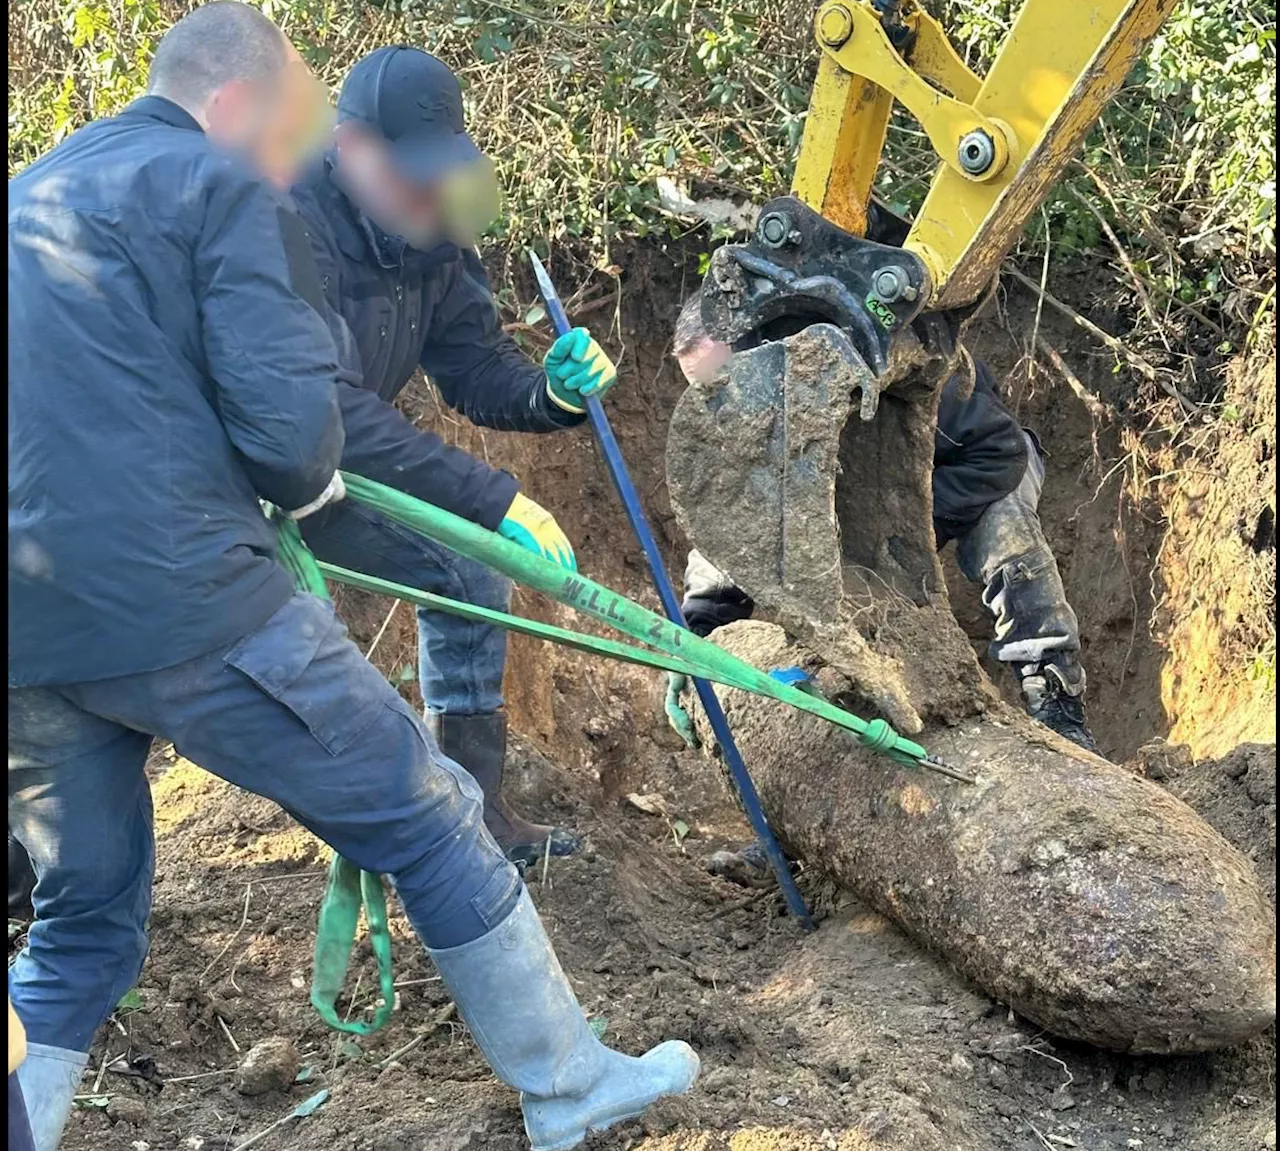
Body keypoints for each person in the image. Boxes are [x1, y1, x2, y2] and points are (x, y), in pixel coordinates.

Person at [7, 7, 696, 1150]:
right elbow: (292, 434)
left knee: (84, 918)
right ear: (242, 110)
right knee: (424, 812)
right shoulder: (242, 190)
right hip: (184, 592)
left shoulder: (30, 189)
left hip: (26, 624)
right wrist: (333, 480)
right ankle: (568, 1082)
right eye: (290, 131)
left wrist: (551, 396)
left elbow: (467, 357)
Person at [288, 46, 617, 869]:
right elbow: (323, 405)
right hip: (229, 480)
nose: (432, 194)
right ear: (351, 144)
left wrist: (551, 395)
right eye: (411, 173)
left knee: (466, 570)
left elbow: (470, 365)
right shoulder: (285, 218)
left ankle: (472, 817)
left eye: (443, 172)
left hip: (326, 471)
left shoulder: (431, 225)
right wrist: (493, 499)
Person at [670, 294, 1099, 755]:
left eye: (725, 384)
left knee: (1004, 528)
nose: (723, 405)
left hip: (978, 465)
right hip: (869, 485)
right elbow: (735, 516)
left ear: (762, 348)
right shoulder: (754, 412)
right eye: (707, 395)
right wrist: (695, 634)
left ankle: (1055, 698)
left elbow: (999, 455)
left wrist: (896, 523)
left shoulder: (898, 363)